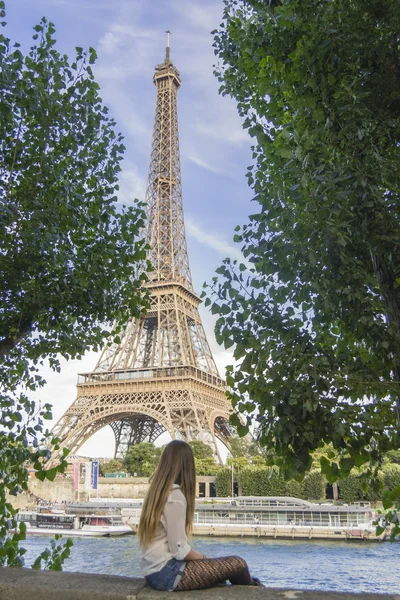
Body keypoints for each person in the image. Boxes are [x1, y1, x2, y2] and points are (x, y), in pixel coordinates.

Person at [138, 440, 264, 592]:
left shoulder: (157, 493)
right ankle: (258, 592)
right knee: (238, 564)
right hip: (167, 573)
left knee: (222, 574)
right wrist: (206, 559)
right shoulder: (175, 496)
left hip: (154, 572)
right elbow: (179, 551)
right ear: (187, 466)